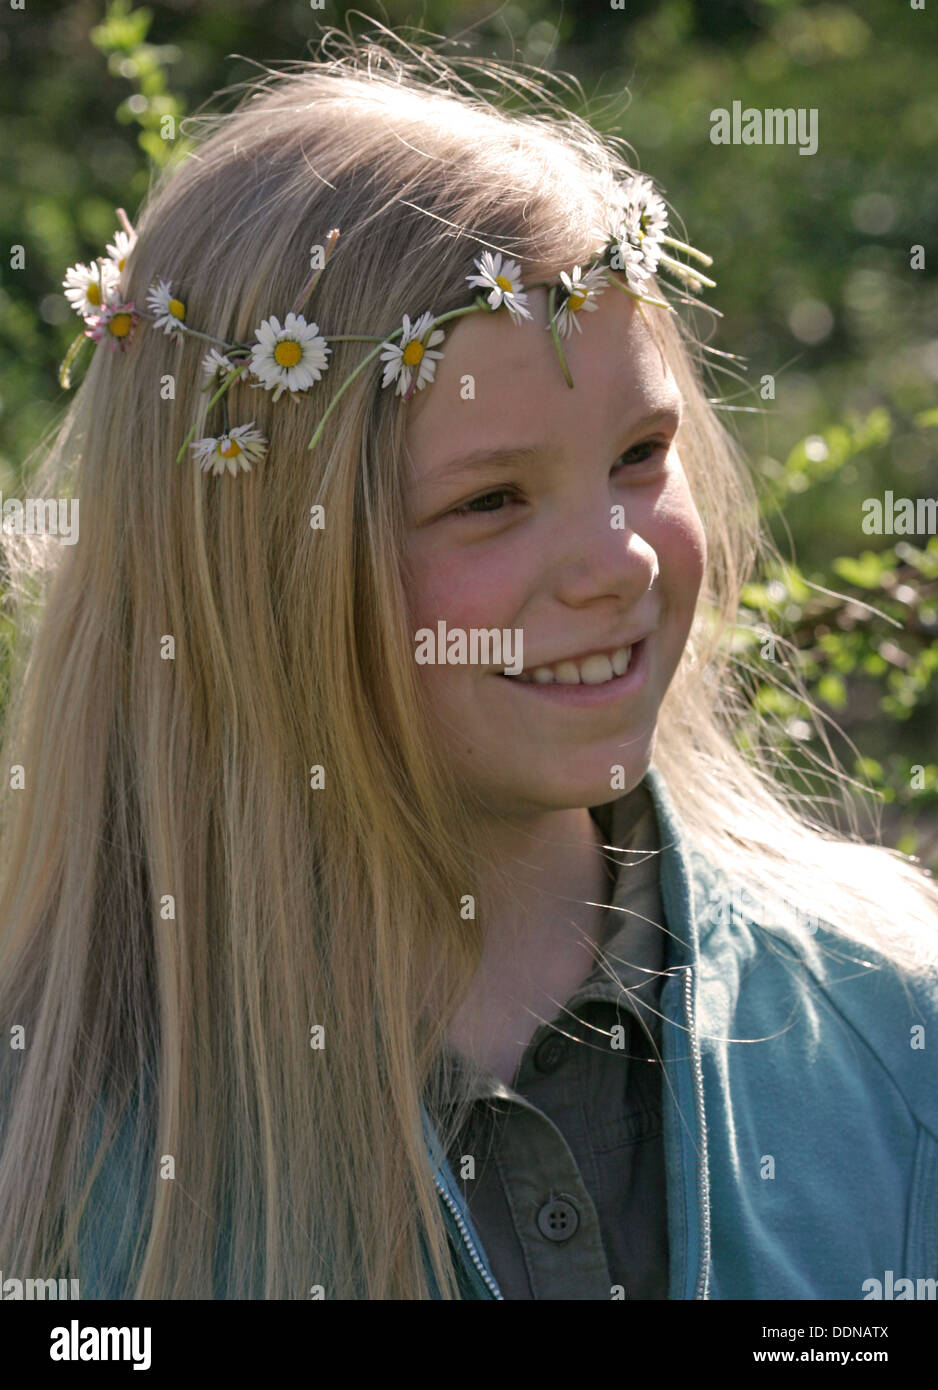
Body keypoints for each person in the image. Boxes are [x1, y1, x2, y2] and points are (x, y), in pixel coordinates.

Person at [0, 26, 935, 1302]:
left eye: (639, 454)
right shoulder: (54, 1149)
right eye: (491, 500)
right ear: (254, 574)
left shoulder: (886, 1023)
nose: (616, 563)